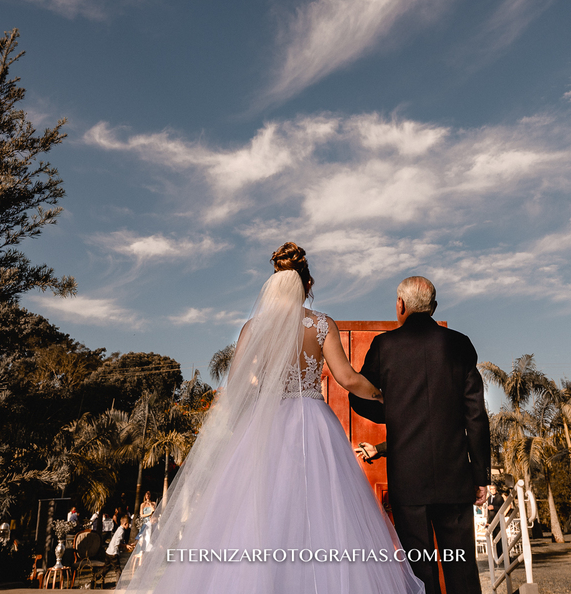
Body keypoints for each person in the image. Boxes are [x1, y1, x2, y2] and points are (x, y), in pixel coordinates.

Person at [117, 243, 422, 594]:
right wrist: (384, 396)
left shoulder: (253, 327)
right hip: (313, 422)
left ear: (275, 282)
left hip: (267, 420)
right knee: (321, 508)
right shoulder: (321, 324)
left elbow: (235, 389)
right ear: (308, 285)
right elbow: (348, 379)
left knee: (259, 508)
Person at [350, 275, 490, 594]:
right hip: (456, 476)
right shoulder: (460, 343)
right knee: (462, 567)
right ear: (433, 307)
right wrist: (480, 474)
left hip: (408, 478)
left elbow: (357, 396)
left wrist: (394, 414)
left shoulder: (384, 346)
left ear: (400, 305)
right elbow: (476, 414)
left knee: (419, 568)